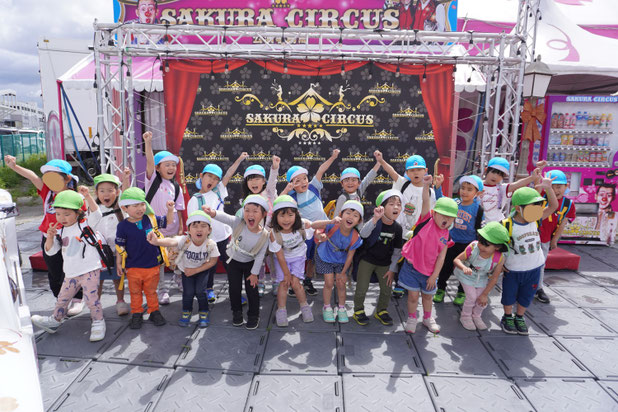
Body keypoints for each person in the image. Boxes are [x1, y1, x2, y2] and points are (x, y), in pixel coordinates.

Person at [4, 155, 86, 315]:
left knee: (72, 268)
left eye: (54, 177)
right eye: (47, 177)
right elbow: (32, 177)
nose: (50, 181)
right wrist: (14, 166)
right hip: (49, 237)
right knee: (54, 270)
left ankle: (77, 299)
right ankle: (61, 299)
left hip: (70, 237)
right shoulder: (47, 193)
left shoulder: (75, 196)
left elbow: (84, 217)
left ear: (67, 178)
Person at [30, 189, 106, 342]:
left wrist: (88, 196)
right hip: (70, 272)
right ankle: (55, 320)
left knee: (91, 298)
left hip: (89, 270)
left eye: (66, 214)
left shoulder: (86, 224)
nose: (61, 218)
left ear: (78, 212)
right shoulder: (60, 230)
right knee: (62, 298)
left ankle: (98, 321)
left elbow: (97, 214)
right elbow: (51, 251)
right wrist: (50, 238)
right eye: (58, 214)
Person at [399, 175, 458, 334]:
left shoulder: (446, 235)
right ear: (434, 213)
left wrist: (434, 276)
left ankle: (427, 318)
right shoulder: (426, 219)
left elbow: (441, 257)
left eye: (450, 218)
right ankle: (412, 318)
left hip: (430, 272)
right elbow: (425, 200)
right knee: (412, 296)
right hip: (412, 268)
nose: (446, 219)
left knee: (427, 297)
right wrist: (426, 186)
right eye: (443, 215)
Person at [186, 153, 248, 304]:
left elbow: (229, 174)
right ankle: (209, 290)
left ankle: (235, 293)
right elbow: (192, 224)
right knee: (209, 267)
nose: (212, 181)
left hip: (225, 237)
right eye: (209, 176)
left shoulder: (219, 191)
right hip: (207, 241)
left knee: (231, 267)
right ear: (201, 176)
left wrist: (239, 159)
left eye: (215, 179)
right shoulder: (195, 199)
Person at [202, 195, 270, 330]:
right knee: (234, 289)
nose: (250, 214)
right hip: (233, 261)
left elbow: (260, 256)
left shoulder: (265, 235)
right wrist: (212, 213)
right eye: (247, 210)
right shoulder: (238, 223)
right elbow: (225, 217)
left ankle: (253, 315)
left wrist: (254, 274)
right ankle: (237, 313)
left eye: (255, 211)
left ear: (263, 214)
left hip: (251, 264)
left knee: (252, 291)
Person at [500, 181, 558, 335]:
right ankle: (507, 316)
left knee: (526, 296)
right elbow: (498, 247)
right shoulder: (507, 225)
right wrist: (500, 264)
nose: (537, 210)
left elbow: (553, 206)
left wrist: (548, 188)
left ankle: (520, 317)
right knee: (508, 295)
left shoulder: (536, 219)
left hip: (534, 268)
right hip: (513, 269)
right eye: (532, 207)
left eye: (538, 206)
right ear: (518, 208)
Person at [147, 211, 219, 328]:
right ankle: (186, 311)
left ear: (209, 230)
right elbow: (172, 241)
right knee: (188, 292)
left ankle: (204, 312)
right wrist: (157, 242)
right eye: (195, 226)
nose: (199, 229)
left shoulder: (211, 244)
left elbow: (213, 261)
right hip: (187, 272)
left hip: (202, 270)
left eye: (203, 226)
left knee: (201, 292)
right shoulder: (185, 240)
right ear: (188, 230)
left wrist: (195, 270)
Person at [283, 149, 340, 296]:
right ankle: (295, 282)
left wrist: (333, 157)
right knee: (302, 258)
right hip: (306, 233)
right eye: (298, 180)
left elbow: (321, 169)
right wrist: (287, 190)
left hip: (323, 230)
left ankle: (308, 280)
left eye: (304, 178)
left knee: (313, 259)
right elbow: (278, 202)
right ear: (291, 184)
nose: (303, 182)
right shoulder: (292, 197)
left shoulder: (314, 187)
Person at [116, 187, 175, 329]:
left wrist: (170, 210)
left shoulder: (151, 219)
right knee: (135, 292)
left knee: (151, 291)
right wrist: (118, 263)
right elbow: (120, 246)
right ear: (124, 208)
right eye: (135, 205)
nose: (140, 208)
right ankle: (137, 313)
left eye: (142, 204)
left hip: (152, 265)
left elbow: (168, 221)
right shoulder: (122, 226)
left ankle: (154, 311)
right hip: (132, 267)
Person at [378, 154, 436, 298]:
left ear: (426, 171)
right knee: (398, 256)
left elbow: (432, 213)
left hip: (418, 234)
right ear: (407, 173)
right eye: (412, 170)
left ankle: (407, 284)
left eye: (419, 169)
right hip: (400, 231)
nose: (416, 173)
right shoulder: (404, 184)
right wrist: (381, 160)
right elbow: (392, 172)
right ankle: (398, 283)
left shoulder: (430, 191)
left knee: (412, 260)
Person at [143, 131, 186, 305]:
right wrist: (148, 142)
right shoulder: (152, 180)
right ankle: (161, 290)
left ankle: (178, 278)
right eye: (166, 165)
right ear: (157, 168)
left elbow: (180, 209)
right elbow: (149, 161)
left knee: (178, 257)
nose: (171, 168)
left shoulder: (176, 187)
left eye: (173, 165)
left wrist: (181, 227)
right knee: (159, 262)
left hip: (173, 230)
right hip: (156, 230)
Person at [353, 190, 403, 326]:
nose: (396, 207)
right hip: (367, 260)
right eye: (391, 204)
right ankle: (358, 310)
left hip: (385, 263)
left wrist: (392, 269)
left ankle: (381, 310)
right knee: (362, 288)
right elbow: (363, 234)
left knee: (387, 289)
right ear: (382, 207)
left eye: (399, 204)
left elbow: (397, 251)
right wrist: (375, 218)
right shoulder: (375, 222)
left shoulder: (398, 228)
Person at [433, 175, 484, 306]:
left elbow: (480, 228)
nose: (464, 191)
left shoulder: (478, 209)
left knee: (466, 269)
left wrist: (479, 245)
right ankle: (440, 289)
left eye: (469, 189)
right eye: (463, 188)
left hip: (468, 245)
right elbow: (441, 201)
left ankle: (461, 292)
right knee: (445, 267)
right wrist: (438, 186)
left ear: (477, 193)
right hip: (451, 242)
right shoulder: (455, 203)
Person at [269, 195, 317, 327]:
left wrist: (331, 222)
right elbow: (279, 256)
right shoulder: (273, 233)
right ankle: (281, 310)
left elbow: (314, 225)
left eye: (290, 215)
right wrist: (286, 274)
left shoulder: (301, 225)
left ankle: (305, 307)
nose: (286, 220)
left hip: (298, 257)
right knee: (284, 283)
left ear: (296, 215)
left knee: (296, 284)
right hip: (282, 260)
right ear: (275, 217)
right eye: (282, 215)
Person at [313, 200, 364, 323]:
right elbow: (314, 226)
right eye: (348, 213)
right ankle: (327, 307)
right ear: (341, 214)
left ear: (359, 221)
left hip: (341, 261)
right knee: (329, 282)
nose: (351, 217)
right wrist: (320, 235)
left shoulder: (355, 236)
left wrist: (343, 273)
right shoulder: (333, 225)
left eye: (355, 215)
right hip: (325, 257)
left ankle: (341, 308)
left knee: (341, 283)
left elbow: (350, 256)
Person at [453, 222, 509, 330]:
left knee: (481, 299)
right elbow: (457, 260)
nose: (481, 246)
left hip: (481, 278)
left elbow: (494, 278)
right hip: (466, 276)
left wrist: (485, 294)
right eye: (480, 242)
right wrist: (464, 268)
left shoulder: (499, 258)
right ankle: (465, 317)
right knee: (471, 297)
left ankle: (476, 316)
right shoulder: (473, 247)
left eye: (486, 245)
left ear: (497, 247)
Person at [238, 156, 280, 296]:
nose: (254, 182)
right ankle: (260, 282)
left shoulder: (269, 193)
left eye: (257, 179)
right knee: (258, 260)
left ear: (263, 181)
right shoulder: (246, 199)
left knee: (272, 260)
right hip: (255, 236)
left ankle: (275, 282)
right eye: (250, 179)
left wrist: (274, 168)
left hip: (271, 234)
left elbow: (273, 180)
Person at [90, 173, 131, 316]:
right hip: (98, 252)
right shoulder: (94, 209)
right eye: (102, 191)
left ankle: (120, 301)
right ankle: (96, 304)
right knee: (97, 280)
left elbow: (126, 194)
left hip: (116, 251)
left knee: (117, 277)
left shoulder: (121, 207)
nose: (106, 194)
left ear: (117, 192)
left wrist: (125, 179)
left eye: (110, 190)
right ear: (96, 193)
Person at [536, 170, 576, 303]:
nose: (555, 190)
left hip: (546, 238)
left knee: (541, 263)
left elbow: (563, 223)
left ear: (566, 186)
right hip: (530, 234)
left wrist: (555, 240)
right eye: (552, 187)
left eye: (559, 187)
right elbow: (536, 188)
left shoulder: (568, 204)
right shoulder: (540, 196)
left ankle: (538, 288)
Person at [480, 157, 545, 224]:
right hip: (479, 225)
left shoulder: (502, 188)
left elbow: (517, 184)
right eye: (493, 172)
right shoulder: (477, 185)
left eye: (500, 175)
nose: (495, 177)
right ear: (486, 170)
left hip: (497, 225)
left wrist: (532, 177)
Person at [330, 150, 381, 217]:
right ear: (342, 184)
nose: (350, 183)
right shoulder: (343, 198)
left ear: (359, 183)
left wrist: (379, 162)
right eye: (346, 180)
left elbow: (368, 178)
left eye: (353, 180)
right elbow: (336, 217)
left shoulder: (359, 191)